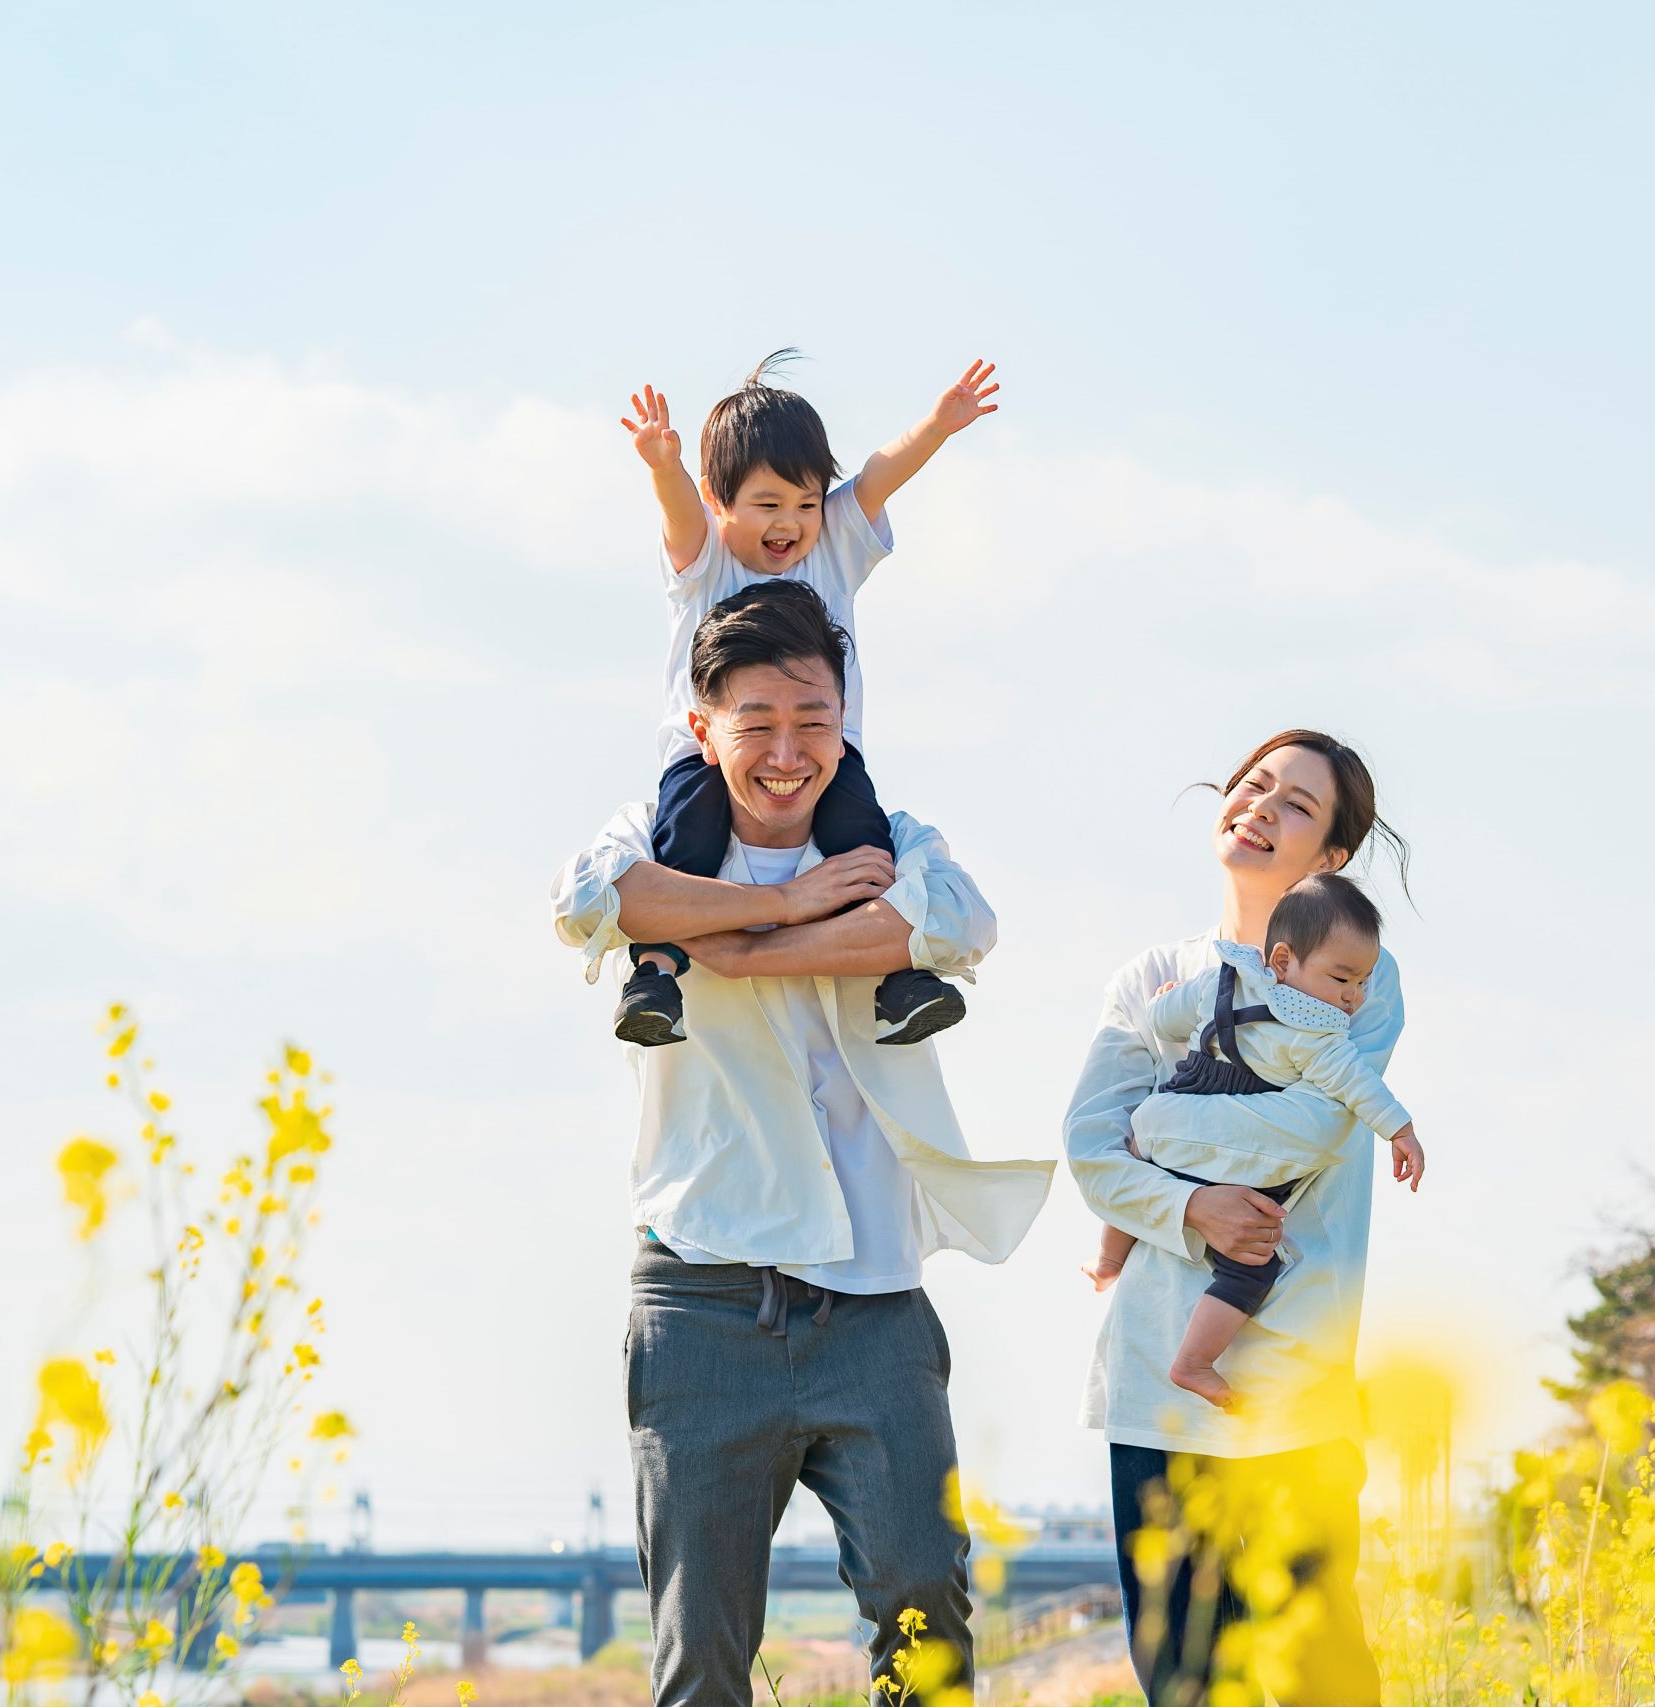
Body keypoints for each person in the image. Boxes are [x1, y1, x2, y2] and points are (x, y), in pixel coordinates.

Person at [551, 580, 1053, 1705]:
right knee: (704, 1651)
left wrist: (743, 951)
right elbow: (589, 900)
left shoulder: (893, 839)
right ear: (702, 729)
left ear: (845, 723)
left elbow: (956, 923)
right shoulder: (652, 839)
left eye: (814, 723)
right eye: (758, 725)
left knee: (929, 1609)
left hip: (872, 1292)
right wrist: (788, 905)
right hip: (700, 1294)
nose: (788, 752)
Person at [1065, 730, 1411, 1707]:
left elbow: (1309, 1127)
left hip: (1290, 1379)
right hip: (1152, 1381)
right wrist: (1190, 1207)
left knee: (1323, 1678)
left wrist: (1155, 1130)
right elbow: (1089, 1147)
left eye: (1296, 805)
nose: (1260, 806)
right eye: (1253, 785)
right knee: (1183, 1684)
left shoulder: (1354, 972)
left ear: (1330, 859)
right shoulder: (1150, 979)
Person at [611, 350, 1001, 1050]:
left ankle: (898, 980)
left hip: (830, 748)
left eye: (805, 502)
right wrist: (662, 466)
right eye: (767, 505)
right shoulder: (706, 561)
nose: (789, 523)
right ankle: (656, 970)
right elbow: (677, 514)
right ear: (718, 501)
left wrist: (938, 427)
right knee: (689, 841)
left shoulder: (834, 547)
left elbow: (880, 475)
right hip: (704, 756)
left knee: (862, 840)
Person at [1082, 872, 1424, 1411]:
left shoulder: (1222, 977)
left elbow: (1165, 1017)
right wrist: (1399, 1129)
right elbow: (1358, 1087)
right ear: (1284, 961)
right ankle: (1194, 1362)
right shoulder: (1317, 1035)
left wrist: (1168, 1008)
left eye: (1361, 983)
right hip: (1233, 1139)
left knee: (1140, 1159)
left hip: (1186, 1087)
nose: (1354, 997)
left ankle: (1107, 1261)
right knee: (1251, 1266)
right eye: (1343, 980)